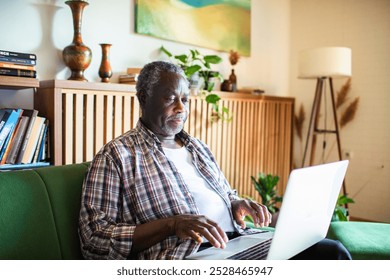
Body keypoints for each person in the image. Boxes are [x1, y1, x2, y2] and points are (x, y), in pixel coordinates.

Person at [78, 61, 351, 260]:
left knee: (331, 252)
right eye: (171, 98)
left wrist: (235, 203)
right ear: (143, 98)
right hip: (188, 258)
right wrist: (172, 225)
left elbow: (223, 193)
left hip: (239, 244)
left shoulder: (197, 147)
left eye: (185, 99)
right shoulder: (117, 155)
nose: (181, 108)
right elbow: (93, 240)